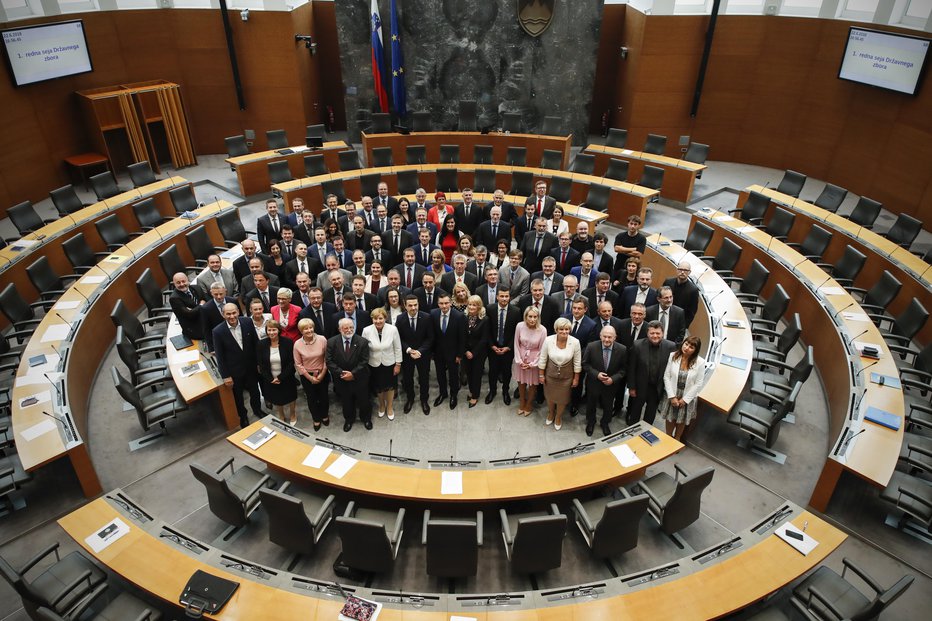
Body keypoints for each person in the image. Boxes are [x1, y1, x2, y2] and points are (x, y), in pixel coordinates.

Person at [212, 303, 264, 428]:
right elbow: (220, 356)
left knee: (255, 391)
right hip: (234, 371)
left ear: (238, 312)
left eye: (234, 313)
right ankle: (243, 416)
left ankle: (257, 410)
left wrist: (259, 363)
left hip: (251, 367)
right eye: (228, 314)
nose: (232, 316)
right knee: (238, 396)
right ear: (223, 315)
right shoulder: (218, 331)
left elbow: (255, 343)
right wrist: (226, 376)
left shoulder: (247, 322)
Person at [626, 320, 677, 426]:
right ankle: (631, 432)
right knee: (635, 412)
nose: (655, 336)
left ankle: (645, 432)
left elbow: (672, 369)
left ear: (662, 333)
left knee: (650, 414)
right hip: (640, 386)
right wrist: (631, 387)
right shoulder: (637, 345)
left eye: (658, 333)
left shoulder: (671, 347)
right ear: (647, 333)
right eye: (652, 333)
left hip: (657, 388)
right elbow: (632, 368)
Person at [326, 318, 372, 431]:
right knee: (346, 401)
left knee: (364, 400)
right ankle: (349, 419)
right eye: (345, 328)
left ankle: (366, 418)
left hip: (359, 378)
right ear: (339, 329)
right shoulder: (331, 342)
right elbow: (329, 361)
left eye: (351, 327)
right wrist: (342, 373)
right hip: (342, 379)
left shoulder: (363, 342)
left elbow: (364, 361)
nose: (349, 330)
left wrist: (353, 374)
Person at [582, 326, 627, 437]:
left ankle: (605, 423)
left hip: (610, 385)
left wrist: (613, 379)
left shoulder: (622, 349)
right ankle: (591, 422)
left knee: (608, 405)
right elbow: (585, 364)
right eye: (605, 336)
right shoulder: (591, 346)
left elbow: (624, 369)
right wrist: (597, 374)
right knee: (591, 404)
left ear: (615, 337)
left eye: (610, 337)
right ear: (600, 336)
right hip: (593, 383)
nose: (607, 340)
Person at [659, 336, 706, 440]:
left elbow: (698, 383)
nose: (687, 348)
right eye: (686, 344)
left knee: (682, 420)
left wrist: (685, 400)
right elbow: (666, 376)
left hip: (687, 396)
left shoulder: (700, 362)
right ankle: (668, 438)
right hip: (673, 393)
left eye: (691, 347)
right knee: (670, 417)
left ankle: (677, 438)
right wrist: (672, 397)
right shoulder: (673, 356)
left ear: (695, 350)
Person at [538, 317, 582, 430]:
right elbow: (542, 358)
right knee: (550, 397)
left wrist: (576, 378)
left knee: (563, 399)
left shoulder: (575, 342)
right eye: (561, 329)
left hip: (566, 378)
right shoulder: (548, 340)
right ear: (556, 329)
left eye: (567, 329)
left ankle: (558, 416)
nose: (564, 332)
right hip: (550, 376)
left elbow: (577, 362)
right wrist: (541, 375)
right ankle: (551, 413)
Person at [395, 294, 434, 415]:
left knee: (424, 378)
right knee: (408, 379)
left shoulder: (427, 317)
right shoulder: (400, 319)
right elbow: (398, 338)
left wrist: (420, 351)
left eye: (415, 305)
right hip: (407, 355)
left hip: (423, 355)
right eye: (410, 305)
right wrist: (409, 350)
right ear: (405, 306)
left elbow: (430, 338)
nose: (413, 308)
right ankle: (410, 399)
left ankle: (424, 400)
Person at [363, 308, 402, 421]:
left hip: (389, 363)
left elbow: (398, 347)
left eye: (380, 318)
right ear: (372, 319)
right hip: (374, 364)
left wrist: (398, 364)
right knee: (378, 387)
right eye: (375, 318)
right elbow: (364, 349)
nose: (378, 321)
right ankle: (381, 405)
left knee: (390, 387)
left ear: (385, 318)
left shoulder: (393, 329)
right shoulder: (366, 330)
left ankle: (389, 406)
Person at [257, 320, 297, 424]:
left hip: (286, 376)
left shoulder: (288, 342)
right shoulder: (261, 344)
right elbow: (261, 365)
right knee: (277, 398)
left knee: (291, 396)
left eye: (274, 330)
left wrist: (280, 377)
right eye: (269, 330)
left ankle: (292, 414)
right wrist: (271, 379)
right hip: (271, 378)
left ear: (279, 330)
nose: (271, 332)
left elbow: (291, 362)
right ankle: (281, 416)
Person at [486, 289, 521, 405]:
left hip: (508, 349)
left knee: (507, 372)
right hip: (493, 348)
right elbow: (487, 330)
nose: (504, 299)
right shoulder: (490, 309)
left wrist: (509, 347)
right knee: (493, 371)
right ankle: (492, 391)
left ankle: (505, 391)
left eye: (506, 296)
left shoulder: (516, 311)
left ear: (510, 297)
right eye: (502, 296)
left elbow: (517, 332)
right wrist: (491, 345)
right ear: (497, 297)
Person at [294, 318, 329, 431]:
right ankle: (316, 418)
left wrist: (322, 373)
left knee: (324, 396)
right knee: (311, 398)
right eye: (305, 329)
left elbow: (326, 358)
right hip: (307, 376)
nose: (309, 330)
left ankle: (324, 415)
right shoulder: (297, 344)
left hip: (322, 373)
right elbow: (298, 364)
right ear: (301, 331)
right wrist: (310, 378)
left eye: (310, 327)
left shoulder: (322, 339)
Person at [431, 293, 466, 409]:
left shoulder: (459, 316)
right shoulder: (433, 314)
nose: (444, 306)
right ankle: (443, 393)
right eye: (441, 303)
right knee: (440, 374)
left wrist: (460, 354)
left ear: (450, 303)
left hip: (453, 353)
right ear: (438, 304)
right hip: (438, 353)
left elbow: (462, 337)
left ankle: (453, 395)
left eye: (446, 303)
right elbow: (432, 335)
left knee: (453, 375)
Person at [512, 306, 546, 417]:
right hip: (521, 358)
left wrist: (533, 364)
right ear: (525, 316)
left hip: (534, 360)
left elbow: (542, 349)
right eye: (530, 316)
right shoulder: (519, 326)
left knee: (532, 385)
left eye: (535, 317)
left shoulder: (542, 330)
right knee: (521, 382)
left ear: (538, 317)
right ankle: (522, 401)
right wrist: (519, 360)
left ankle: (529, 404)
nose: (532, 319)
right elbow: (516, 344)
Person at [463, 295, 488, 409]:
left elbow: (484, 339)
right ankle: (472, 391)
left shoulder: (484, 319)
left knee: (476, 374)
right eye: (470, 304)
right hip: (466, 352)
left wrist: (473, 352)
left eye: (474, 305)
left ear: (479, 306)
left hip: (479, 353)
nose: (471, 307)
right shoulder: (464, 317)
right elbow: (461, 336)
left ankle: (475, 395)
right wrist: (466, 351)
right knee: (468, 373)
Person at [663, 260, 700, 327]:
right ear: (677, 270)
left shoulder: (693, 290)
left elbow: (692, 312)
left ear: (689, 272)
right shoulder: (668, 282)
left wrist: (683, 327)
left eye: (685, 270)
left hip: (678, 322)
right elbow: (660, 297)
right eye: (680, 269)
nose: (682, 272)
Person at [169, 272, 204, 340]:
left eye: (183, 281)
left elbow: (207, 301)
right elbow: (189, 314)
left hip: (204, 320)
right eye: (178, 283)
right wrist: (201, 305)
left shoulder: (196, 288)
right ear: (174, 284)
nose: (182, 284)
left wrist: (194, 310)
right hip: (193, 328)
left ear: (188, 280)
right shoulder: (174, 298)